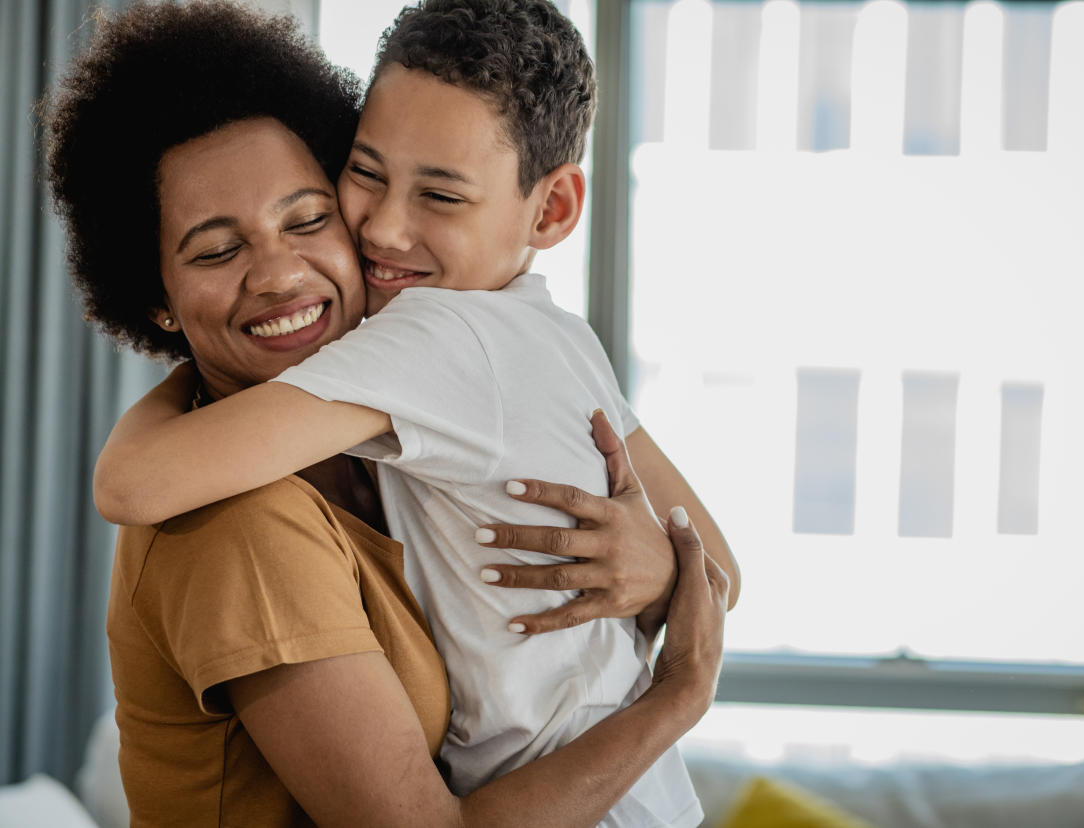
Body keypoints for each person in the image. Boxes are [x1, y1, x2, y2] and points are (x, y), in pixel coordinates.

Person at [44, 2, 728, 825]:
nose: (279, 275)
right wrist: (677, 696)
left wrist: (656, 567)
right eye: (218, 250)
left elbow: (713, 571)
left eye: (309, 217)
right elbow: (133, 483)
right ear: (153, 294)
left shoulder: (413, 382)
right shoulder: (238, 523)